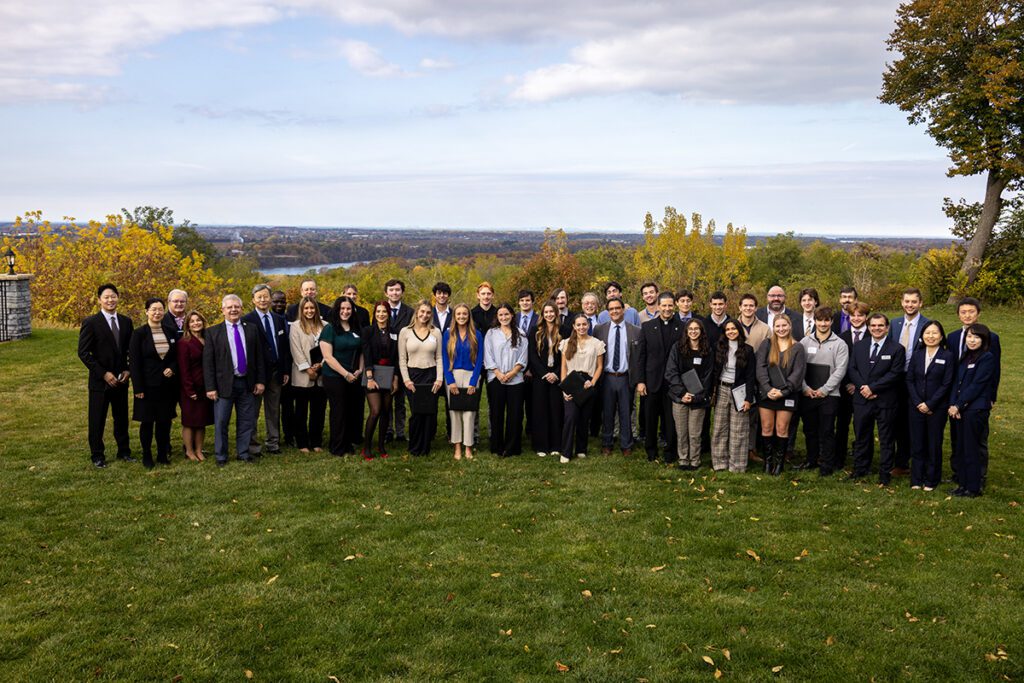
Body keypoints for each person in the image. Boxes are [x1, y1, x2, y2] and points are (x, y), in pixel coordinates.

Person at [203, 294, 266, 466]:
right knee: (222, 422)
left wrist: (260, 381)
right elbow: (208, 364)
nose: (233, 310)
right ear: (223, 310)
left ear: (241, 308)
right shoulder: (212, 332)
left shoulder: (252, 329)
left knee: (246, 421)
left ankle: (243, 453)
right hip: (223, 386)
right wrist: (210, 387)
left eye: (236, 306)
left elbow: (259, 357)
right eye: (229, 307)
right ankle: (221, 456)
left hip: (247, 383)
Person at [78, 283, 134, 468]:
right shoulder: (91, 323)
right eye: (106, 297)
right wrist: (103, 374)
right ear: (99, 300)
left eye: (113, 296)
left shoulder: (126, 322)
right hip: (100, 382)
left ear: (118, 297)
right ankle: (97, 455)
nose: (110, 300)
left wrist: (128, 369)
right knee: (97, 419)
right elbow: (84, 353)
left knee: (121, 418)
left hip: (121, 380)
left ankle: (124, 451)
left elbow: (130, 350)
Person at [947, 297, 1001, 486]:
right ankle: (959, 472)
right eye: (963, 312)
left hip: (978, 397)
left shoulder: (990, 337)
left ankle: (979, 475)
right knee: (957, 436)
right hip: (956, 395)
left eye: (971, 311)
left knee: (977, 439)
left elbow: (993, 371)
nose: (967, 315)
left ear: (978, 313)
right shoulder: (952, 337)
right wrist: (953, 401)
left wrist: (991, 396)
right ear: (958, 315)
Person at [847, 314, 905, 485]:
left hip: (885, 400)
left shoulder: (896, 349)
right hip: (862, 399)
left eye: (880, 325)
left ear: (887, 328)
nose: (877, 328)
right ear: (868, 327)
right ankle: (860, 468)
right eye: (873, 325)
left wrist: (873, 388)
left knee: (886, 438)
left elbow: (895, 374)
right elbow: (852, 369)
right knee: (862, 436)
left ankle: (885, 472)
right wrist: (863, 388)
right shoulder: (859, 346)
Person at [795, 306, 850, 476]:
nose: (823, 324)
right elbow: (799, 368)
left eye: (827, 320)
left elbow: (840, 370)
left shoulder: (840, 344)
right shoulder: (805, 342)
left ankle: (827, 464)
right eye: (820, 320)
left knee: (826, 430)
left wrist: (824, 390)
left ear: (831, 322)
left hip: (829, 395)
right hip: (808, 394)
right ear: (815, 322)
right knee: (810, 430)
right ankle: (812, 460)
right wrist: (805, 388)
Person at [129, 297, 179, 469]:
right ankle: (147, 454)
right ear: (146, 312)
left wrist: (172, 368)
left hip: (167, 385)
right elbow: (134, 363)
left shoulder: (170, 331)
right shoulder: (139, 333)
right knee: (147, 422)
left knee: (164, 421)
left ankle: (162, 454)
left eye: (160, 309)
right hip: (147, 386)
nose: (157, 312)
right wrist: (138, 388)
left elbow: (176, 356)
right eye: (153, 309)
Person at [755, 315, 807, 476]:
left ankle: (779, 463)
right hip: (767, 394)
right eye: (778, 326)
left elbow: (798, 373)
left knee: (782, 428)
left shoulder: (797, 347)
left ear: (790, 326)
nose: (781, 329)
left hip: (787, 395)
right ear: (774, 327)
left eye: (784, 325)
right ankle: (768, 461)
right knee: (767, 427)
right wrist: (768, 388)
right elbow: (760, 368)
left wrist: (783, 391)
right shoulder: (767, 344)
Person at [243, 284, 291, 456]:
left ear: (270, 298)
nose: (263, 300)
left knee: (273, 410)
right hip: (256, 375)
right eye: (259, 297)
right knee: (253, 412)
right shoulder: (247, 320)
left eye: (265, 296)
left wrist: (285, 370)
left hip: (276, 373)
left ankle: (273, 443)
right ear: (253, 300)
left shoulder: (278, 319)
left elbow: (283, 347)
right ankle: (253, 446)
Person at [906, 320, 954, 491]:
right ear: (922, 335)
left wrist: (930, 403)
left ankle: (932, 479)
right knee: (917, 443)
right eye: (927, 333)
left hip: (937, 408)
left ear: (941, 336)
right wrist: (918, 402)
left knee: (933, 443)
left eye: (935, 333)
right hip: (915, 406)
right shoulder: (917, 355)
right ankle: (916, 479)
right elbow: (909, 379)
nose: (931, 336)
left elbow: (947, 384)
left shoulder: (947, 356)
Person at [888, 287, 929, 475]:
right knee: (898, 421)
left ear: (920, 303)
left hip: (918, 380)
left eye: (914, 301)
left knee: (917, 421)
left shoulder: (928, 326)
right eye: (907, 301)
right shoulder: (894, 324)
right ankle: (901, 461)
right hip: (896, 379)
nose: (910, 305)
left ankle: (921, 460)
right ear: (902, 303)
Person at [638, 292, 683, 463]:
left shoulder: (682, 327)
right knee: (650, 418)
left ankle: (670, 451)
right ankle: (651, 450)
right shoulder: (648, 327)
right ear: (658, 306)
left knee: (671, 419)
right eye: (663, 305)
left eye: (670, 305)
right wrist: (640, 381)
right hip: (652, 381)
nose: (667, 308)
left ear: (674, 306)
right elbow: (640, 356)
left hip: (673, 383)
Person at [593, 297, 641, 456]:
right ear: (608, 311)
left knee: (625, 412)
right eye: (611, 309)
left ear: (623, 310)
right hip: (606, 377)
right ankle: (607, 443)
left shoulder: (635, 330)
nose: (614, 311)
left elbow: (638, 357)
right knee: (607, 411)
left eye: (617, 308)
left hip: (626, 377)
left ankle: (626, 444)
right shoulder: (599, 329)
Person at [666, 318, 714, 470]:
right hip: (679, 397)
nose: (693, 331)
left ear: (701, 332)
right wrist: (682, 393)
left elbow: (708, 375)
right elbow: (671, 372)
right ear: (686, 332)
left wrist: (696, 395)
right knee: (681, 432)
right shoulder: (677, 348)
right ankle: (683, 459)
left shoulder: (707, 350)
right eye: (690, 329)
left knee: (695, 432)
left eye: (696, 329)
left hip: (698, 398)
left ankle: (694, 460)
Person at [320, 296, 365, 457]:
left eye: (348, 309)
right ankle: (337, 446)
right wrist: (345, 374)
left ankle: (347, 443)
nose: (345, 312)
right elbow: (328, 357)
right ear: (337, 310)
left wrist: (360, 369)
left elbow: (361, 351)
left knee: (350, 411)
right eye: (342, 309)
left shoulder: (356, 328)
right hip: (335, 376)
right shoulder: (330, 329)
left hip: (354, 376)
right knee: (338, 411)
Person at [398, 300, 443, 456]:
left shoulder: (435, 332)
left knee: (429, 412)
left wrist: (439, 378)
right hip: (413, 375)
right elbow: (402, 358)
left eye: (428, 312)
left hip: (431, 375)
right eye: (422, 311)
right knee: (416, 412)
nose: (425, 315)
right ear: (416, 312)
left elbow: (439, 357)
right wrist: (406, 379)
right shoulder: (405, 332)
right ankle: (415, 445)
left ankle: (425, 446)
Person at [710, 320, 756, 472]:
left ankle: (737, 465)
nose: (731, 331)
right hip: (722, 389)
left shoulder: (748, 350)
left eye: (733, 329)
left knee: (739, 429)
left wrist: (749, 399)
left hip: (739, 391)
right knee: (719, 428)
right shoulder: (719, 348)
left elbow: (750, 377)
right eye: (727, 329)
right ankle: (719, 463)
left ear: (739, 330)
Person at [559, 313, 605, 462]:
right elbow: (563, 368)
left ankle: (581, 448)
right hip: (572, 382)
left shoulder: (597, 343)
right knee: (570, 416)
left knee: (584, 418)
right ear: (574, 326)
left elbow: (599, 367)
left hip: (588, 382)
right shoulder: (566, 343)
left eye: (584, 324)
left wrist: (593, 382)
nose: (581, 327)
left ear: (589, 325)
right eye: (578, 325)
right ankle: (565, 452)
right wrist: (564, 388)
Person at [484, 303, 529, 456]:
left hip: (515, 380)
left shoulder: (521, 334)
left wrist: (511, 373)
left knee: (515, 414)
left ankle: (512, 447)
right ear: (497, 317)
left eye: (506, 314)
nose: (504, 317)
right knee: (496, 414)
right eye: (501, 315)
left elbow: (523, 358)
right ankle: (497, 446)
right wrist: (498, 373)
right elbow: (488, 355)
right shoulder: (491, 333)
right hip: (496, 379)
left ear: (511, 315)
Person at [443, 303, 484, 460]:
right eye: (458, 314)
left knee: (469, 413)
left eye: (464, 314)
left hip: (471, 376)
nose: (461, 317)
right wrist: (450, 380)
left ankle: (468, 446)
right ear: (454, 316)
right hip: (453, 376)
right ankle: (457, 446)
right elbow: (445, 358)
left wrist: (474, 381)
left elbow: (480, 359)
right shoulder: (448, 334)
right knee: (455, 413)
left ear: (468, 316)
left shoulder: (477, 334)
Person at [362, 301, 400, 459]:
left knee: (386, 412)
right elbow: (366, 354)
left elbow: (397, 357)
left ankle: (381, 446)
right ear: (374, 313)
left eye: (384, 311)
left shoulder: (394, 332)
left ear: (388, 313)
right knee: (375, 411)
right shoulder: (368, 331)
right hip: (372, 372)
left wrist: (395, 379)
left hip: (389, 374)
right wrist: (370, 377)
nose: (381, 314)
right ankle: (367, 447)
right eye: (378, 311)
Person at [289, 296, 327, 453]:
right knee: (301, 411)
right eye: (306, 308)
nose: (309, 311)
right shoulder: (296, 326)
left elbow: (330, 347)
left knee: (318, 411)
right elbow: (295, 350)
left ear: (316, 309)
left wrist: (321, 365)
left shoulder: (325, 326)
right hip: (302, 375)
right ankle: (303, 443)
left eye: (312, 308)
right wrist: (308, 369)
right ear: (302, 310)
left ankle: (316, 441)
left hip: (322, 374)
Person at [835, 302, 870, 470]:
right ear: (848, 317)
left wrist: (860, 385)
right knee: (841, 425)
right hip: (844, 388)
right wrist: (848, 383)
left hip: (865, 390)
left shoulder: (873, 335)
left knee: (862, 426)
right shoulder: (842, 337)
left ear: (866, 317)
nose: (856, 318)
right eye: (853, 315)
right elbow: (839, 364)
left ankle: (862, 459)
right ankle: (839, 458)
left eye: (860, 315)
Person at [177, 310, 214, 462]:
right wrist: (189, 389)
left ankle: (199, 450)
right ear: (187, 325)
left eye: (198, 320)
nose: (196, 323)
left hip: (206, 386)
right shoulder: (184, 343)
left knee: (201, 421)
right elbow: (183, 369)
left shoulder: (208, 338)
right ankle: (189, 451)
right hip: (190, 388)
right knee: (189, 422)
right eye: (192, 321)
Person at [529, 301, 565, 457]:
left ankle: (556, 445)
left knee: (556, 410)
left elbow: (567, 355)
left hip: (557, 376)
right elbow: (531, 355)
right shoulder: (535, 331)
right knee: (540, 410)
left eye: (552, 312)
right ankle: (541, 446)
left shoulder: (564, 330)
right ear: (542, 314)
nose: (549, 314)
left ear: (556, 313)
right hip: (540, 376)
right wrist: (544, 373)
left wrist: (556, 373)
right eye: (546, 312)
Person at [384, 279, 413, 442]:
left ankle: (400, 432)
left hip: (404, 361)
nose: (394, 293)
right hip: (385, 362)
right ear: (386, 293)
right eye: (391, 290)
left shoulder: (410, 312)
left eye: (397, 290)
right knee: (387, 398)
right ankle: (388, 430)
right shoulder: (381, 310)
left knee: (400, 400)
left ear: (402, 292)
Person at [271, 289, 297, 447]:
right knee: (273, 406)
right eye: (276, 301)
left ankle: (289, 436)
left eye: (282, 301)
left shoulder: (290, 319)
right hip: (273, 369)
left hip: (289, 367)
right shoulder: (268, 320)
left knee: (288, 406)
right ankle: (274, 437)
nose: (280, 304)